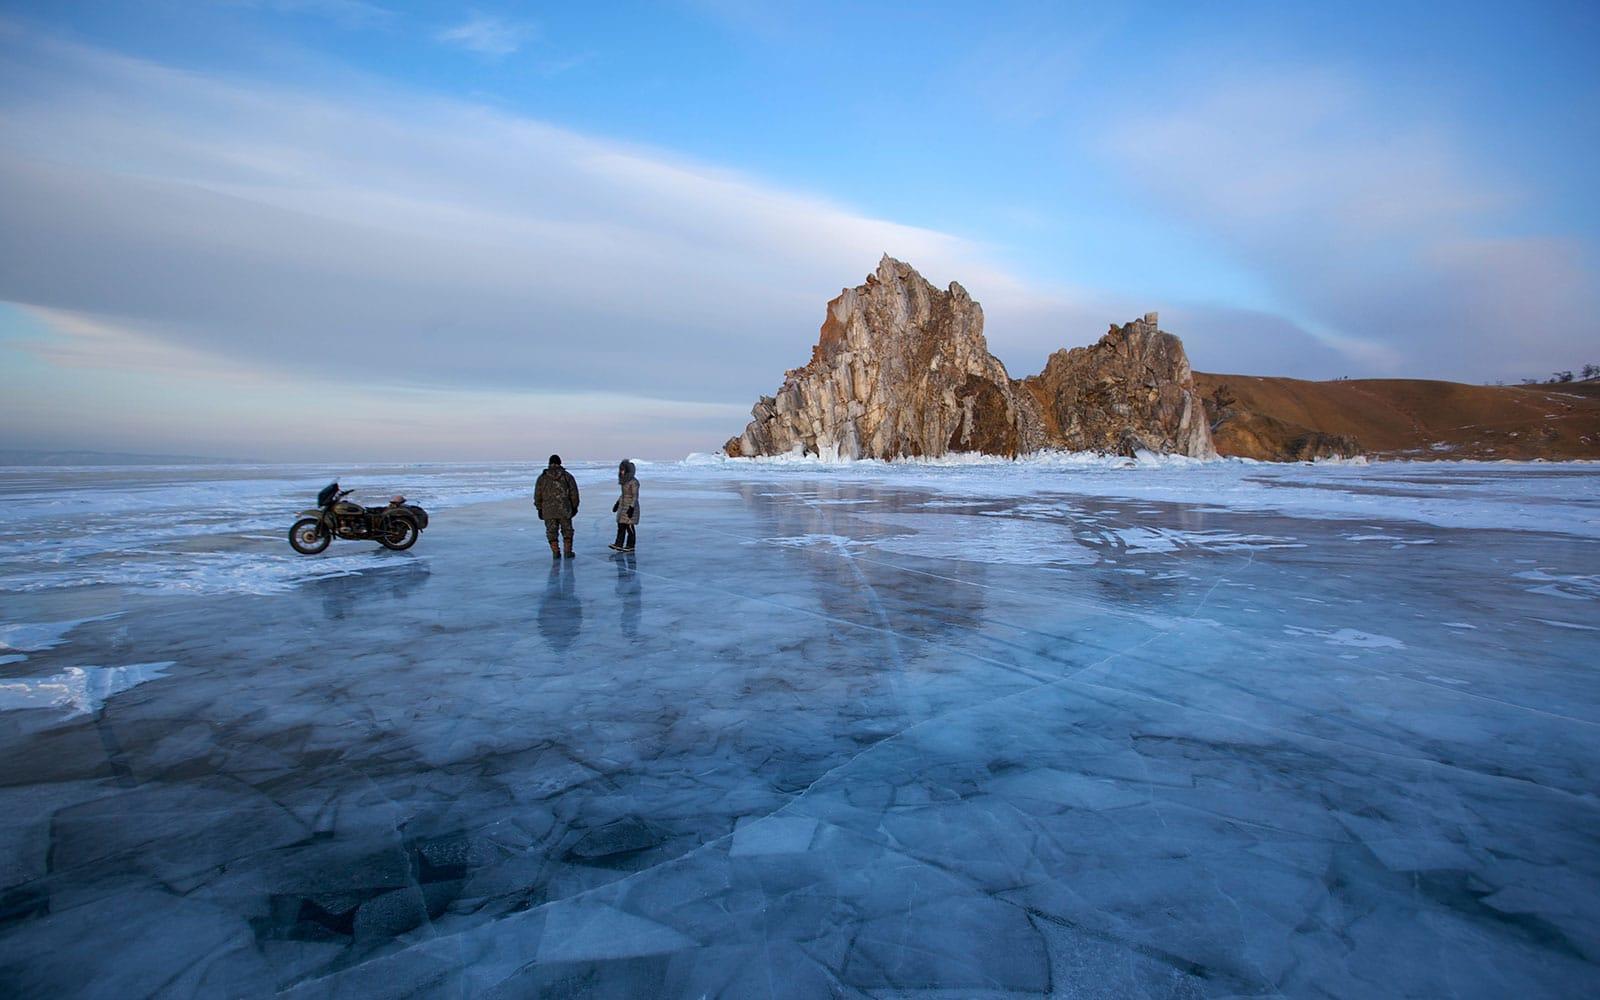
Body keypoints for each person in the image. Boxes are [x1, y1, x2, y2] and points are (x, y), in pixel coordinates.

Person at [534, 454, 580, 558]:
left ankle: (555, 552)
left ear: (549, 463)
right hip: (564, 509)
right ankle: (568, 552)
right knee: (567, 531)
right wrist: (574, 507)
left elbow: (537, 495)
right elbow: (574, 493)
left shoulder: (542, 478)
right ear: (560, 463)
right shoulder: (567, 476)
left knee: (551, 532)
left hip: (548, 510)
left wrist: (539, 508)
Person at [609, 459, 640, 551]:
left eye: (623, 470)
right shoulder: (624, 481)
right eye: (620, 470)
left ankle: (630, 546)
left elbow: (635, 496)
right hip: (623, 506)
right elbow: (623, 495)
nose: (621, 472)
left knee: (629, 526)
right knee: (621, 526)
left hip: (631, 507)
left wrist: (631, 507)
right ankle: (619, 544)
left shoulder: (634, 482)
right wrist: (617, 503)